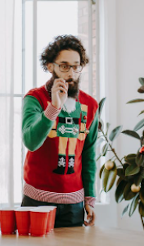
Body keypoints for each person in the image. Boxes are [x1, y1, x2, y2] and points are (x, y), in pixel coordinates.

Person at [22, 35, 99, 227]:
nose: (71, 73)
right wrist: (54, 107)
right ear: (50, 66)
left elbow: (89, 155)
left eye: (76, 67)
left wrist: (89, 198)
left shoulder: (90, 105)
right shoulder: (35, 98)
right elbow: (31, 141)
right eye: (64, 66)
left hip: (74, 204)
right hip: (36, 201)